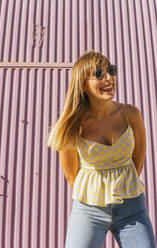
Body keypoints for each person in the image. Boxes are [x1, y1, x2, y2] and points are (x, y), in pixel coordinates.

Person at [46, 50, 156, 247]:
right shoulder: (73, 125)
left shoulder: (131, 115)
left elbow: (137, 163)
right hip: (89, 210)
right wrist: (96, 195)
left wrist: (122, 188)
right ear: (83, 84)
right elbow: (72, 175)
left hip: (132, 207)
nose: (109, 78)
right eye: (99, 73)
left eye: (111, 71)